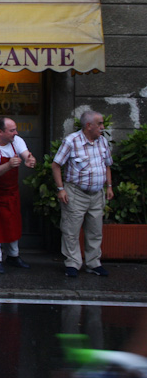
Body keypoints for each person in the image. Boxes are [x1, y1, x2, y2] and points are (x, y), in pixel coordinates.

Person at [51, 110, 113, 277]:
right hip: (76, 192)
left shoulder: (103, 142)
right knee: (71, 229)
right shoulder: (71, 141)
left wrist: (109, 186)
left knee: (95, 230)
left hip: (97, 193)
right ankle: (72, 263)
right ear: (88, 125)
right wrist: (60, 188)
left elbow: (107, 164)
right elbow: (56, 165)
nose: (102, 127)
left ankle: (93, 263)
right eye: (99, 124)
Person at [0, 116, 37, 274]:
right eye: (12, 130)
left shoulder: (16, 141)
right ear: (0, 132)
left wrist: (30, 160)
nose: (15, 132)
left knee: (12, 222)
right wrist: (8, 165)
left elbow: (26, 154)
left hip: (10, 190)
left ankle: (13, 256)